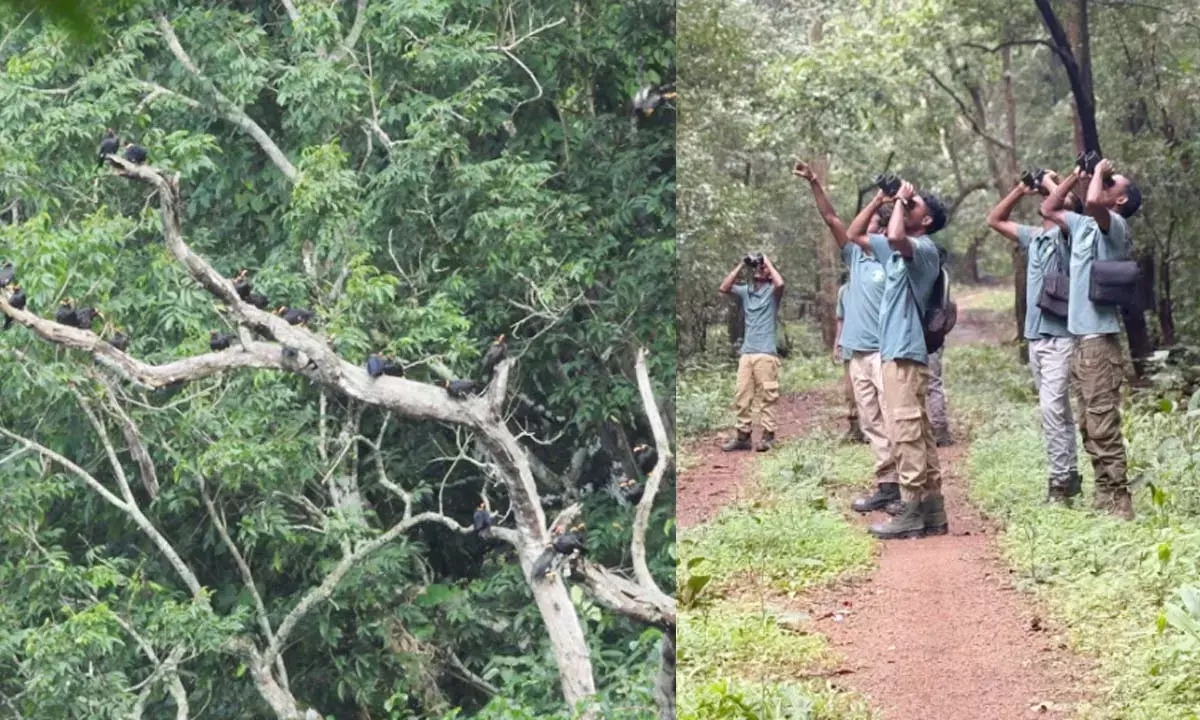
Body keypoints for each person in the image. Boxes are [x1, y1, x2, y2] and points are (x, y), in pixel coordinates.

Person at [1041, 158, 1142, 519]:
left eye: (1113, 183)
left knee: (1102, 423)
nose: (1105, 185)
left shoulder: (1114, 225)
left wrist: (1098, 173)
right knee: (1088, 424)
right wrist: (1075, 176)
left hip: (1099, 340)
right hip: (1080, 340)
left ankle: (1119, 501)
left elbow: (1096, 201)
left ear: (1120, 201)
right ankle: (1103, 495)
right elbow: (1048, 208)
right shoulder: (1082, 224)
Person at [846, 180, 948, 539]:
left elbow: (894, 236)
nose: (905, 204)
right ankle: (933, 510)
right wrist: (879, 200)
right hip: (894, 350)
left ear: (927, 220)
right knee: (919, 430)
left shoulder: (924, 249)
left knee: (905, 431)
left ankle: (910, 510)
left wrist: (900, 203)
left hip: (905, 350)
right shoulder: (895, 252)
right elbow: (854, 234)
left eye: (914, 204)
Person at [795, 161, 898, 510]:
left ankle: (909, 487)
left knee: (893, 418)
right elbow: (831, 218)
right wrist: (814, 182)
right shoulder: (855, 257)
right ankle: (887, 484)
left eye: (872, 224)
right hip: (857, 353)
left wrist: (890, 203)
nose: (864, 228)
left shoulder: (892, 258)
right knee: (871, 422)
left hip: (884, 351)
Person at [988, 171, 1083, 504]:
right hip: (1036, 337)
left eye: (1055, 197)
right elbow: (995, 219)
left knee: (1051, 408)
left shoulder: (1072, 235)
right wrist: (1020, 189)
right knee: (1058, 411)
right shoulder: (1035, 237)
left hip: (1061, 337)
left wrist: (1052, 182)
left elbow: (1058, 207)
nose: (1048, 198)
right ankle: (1069, 476)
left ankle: (1059, 482)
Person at [718, 252, 785, 452]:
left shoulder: (772, 293)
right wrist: (742, 264)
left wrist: (767, 262)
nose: (759, 269)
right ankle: (743, 436)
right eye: (757, 267)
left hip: (766, 353)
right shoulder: (746, 292)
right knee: (742, 394)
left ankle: (768, 436)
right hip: (747, 352)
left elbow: (780, 283)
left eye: (762, 268)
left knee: (767, 395)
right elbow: (724, 287)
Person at [925, 245, 953, 447]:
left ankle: (938, 428)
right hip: (936, 334)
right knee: (933, 382)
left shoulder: (931, 277)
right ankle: (939, 428)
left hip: (927, 333)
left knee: (930, 383)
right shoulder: (943, 275)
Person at [835, 276, 868, 444]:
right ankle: (855, 428)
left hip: (868, 347)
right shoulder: (844, 290)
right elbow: (840, 319)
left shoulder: (870, 286)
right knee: (850, 391)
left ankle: (871, 428)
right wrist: (837, 344)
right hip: (849, 348)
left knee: (870, 390)